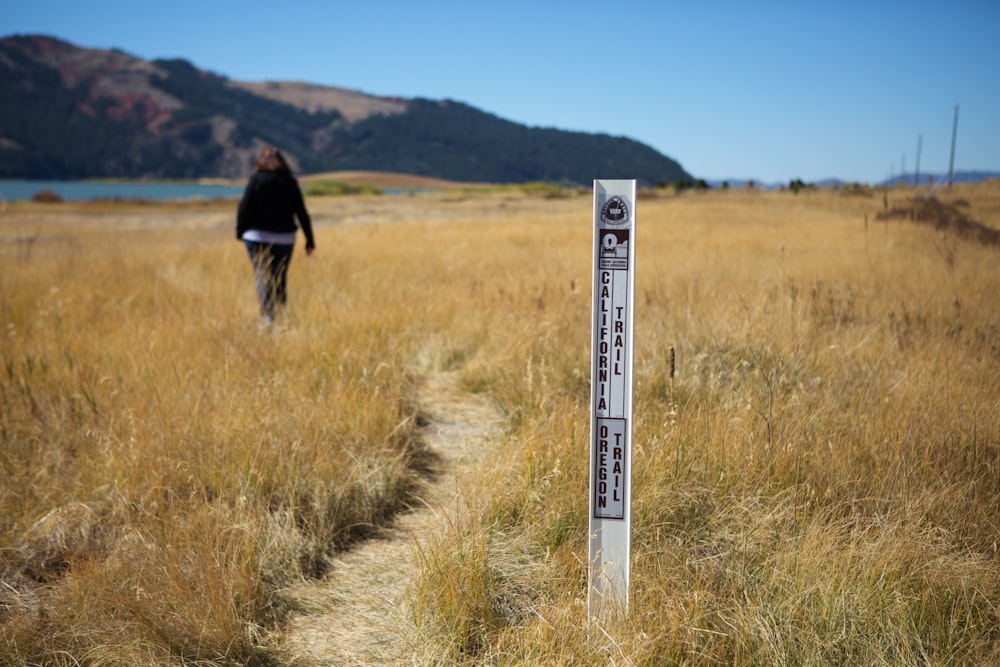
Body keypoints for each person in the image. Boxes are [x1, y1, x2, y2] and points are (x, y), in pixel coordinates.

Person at [236, 146, 315, 326]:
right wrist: (310, 241)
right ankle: (280, 317)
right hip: (285, 238)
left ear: (261, 162)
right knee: (280, 277)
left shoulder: (256, 180)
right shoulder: (290, 182)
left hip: (256, 237)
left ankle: (267, 317)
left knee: (262, 275)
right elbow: (302, 212)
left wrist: (240, 232)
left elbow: (244, 208)